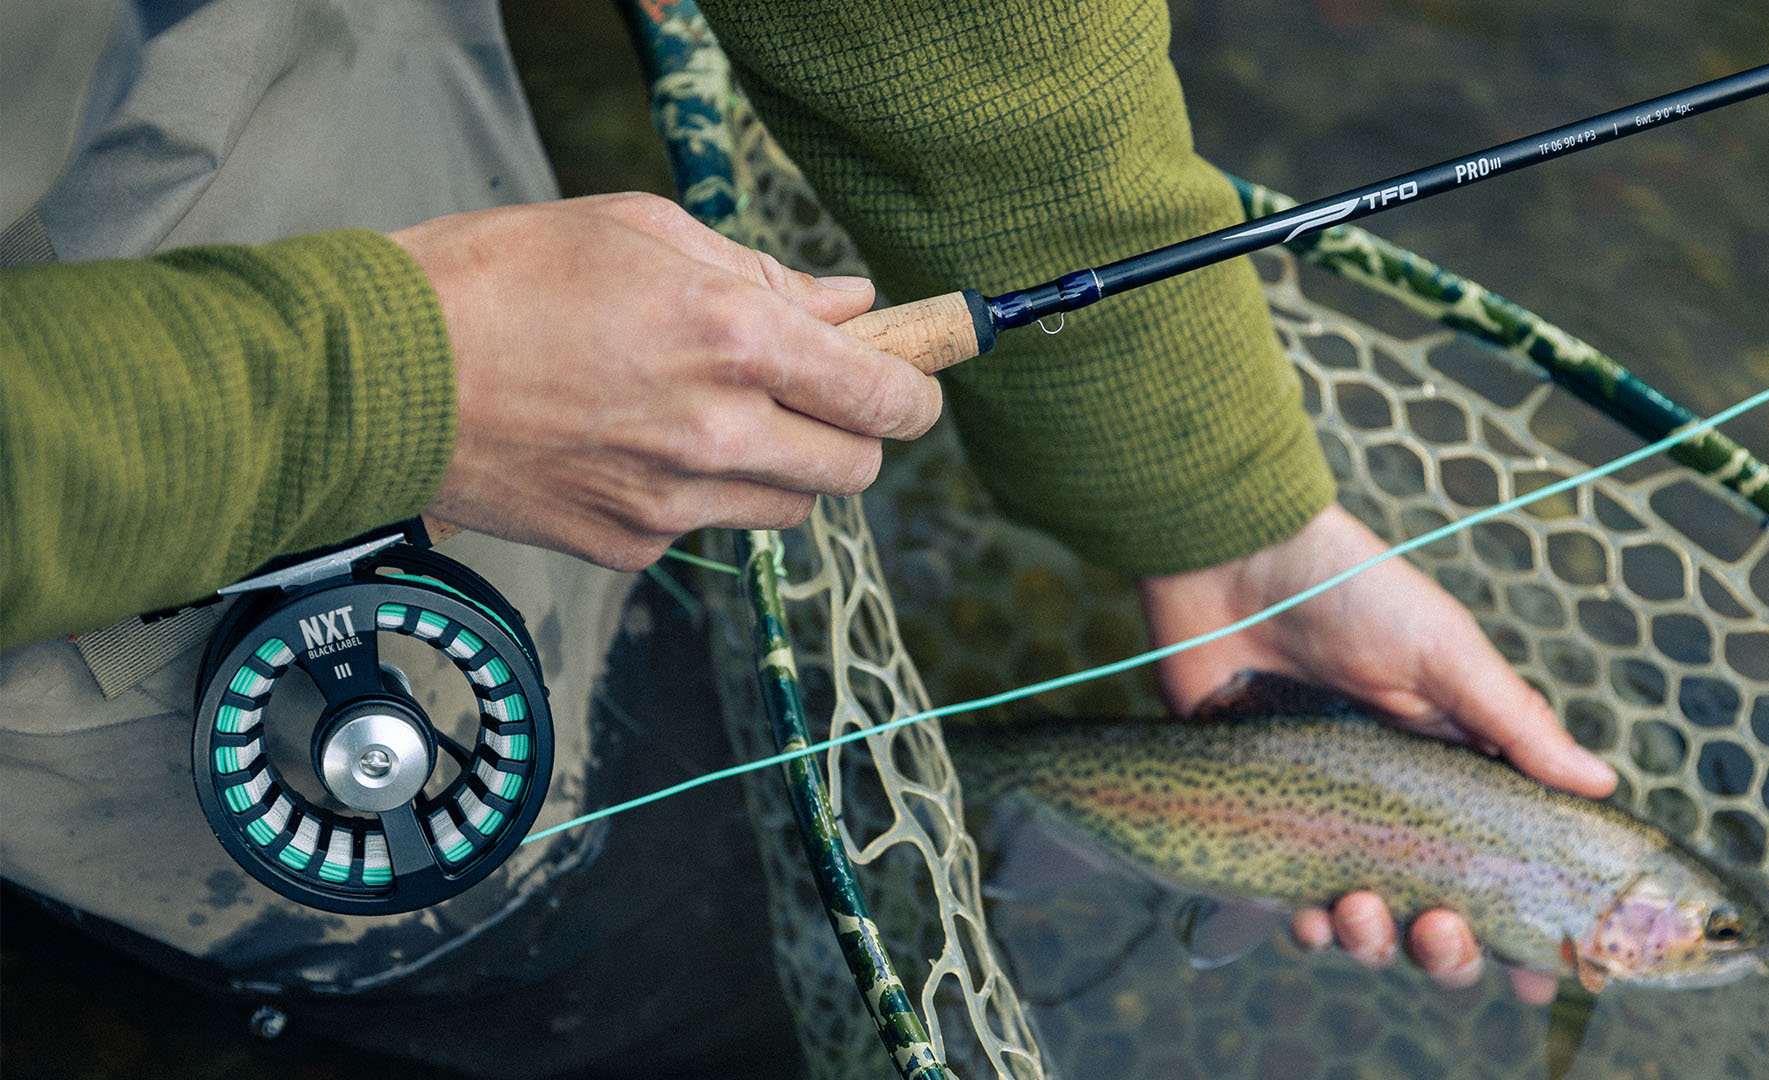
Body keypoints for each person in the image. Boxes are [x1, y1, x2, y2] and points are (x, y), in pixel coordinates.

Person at [1, 0, 1613, 1062]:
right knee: (649, 981)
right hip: (91, 595)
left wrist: (1213, 500)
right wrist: (398, 390)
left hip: (331, 133)